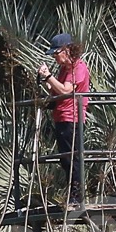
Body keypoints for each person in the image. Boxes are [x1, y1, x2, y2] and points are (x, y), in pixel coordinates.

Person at [37, 32, 90, 205]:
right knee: (66, 158)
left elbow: (67, 91)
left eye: (56, 53)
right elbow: (57, 91)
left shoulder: (78, 67)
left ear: (67, 50)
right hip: (61, 117)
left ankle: (77, 196)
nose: (55, 57)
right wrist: (48, 81)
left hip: (72, 117)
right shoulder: (64, 69)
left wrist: (49, 77)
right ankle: (73, 194)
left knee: (73, 157)